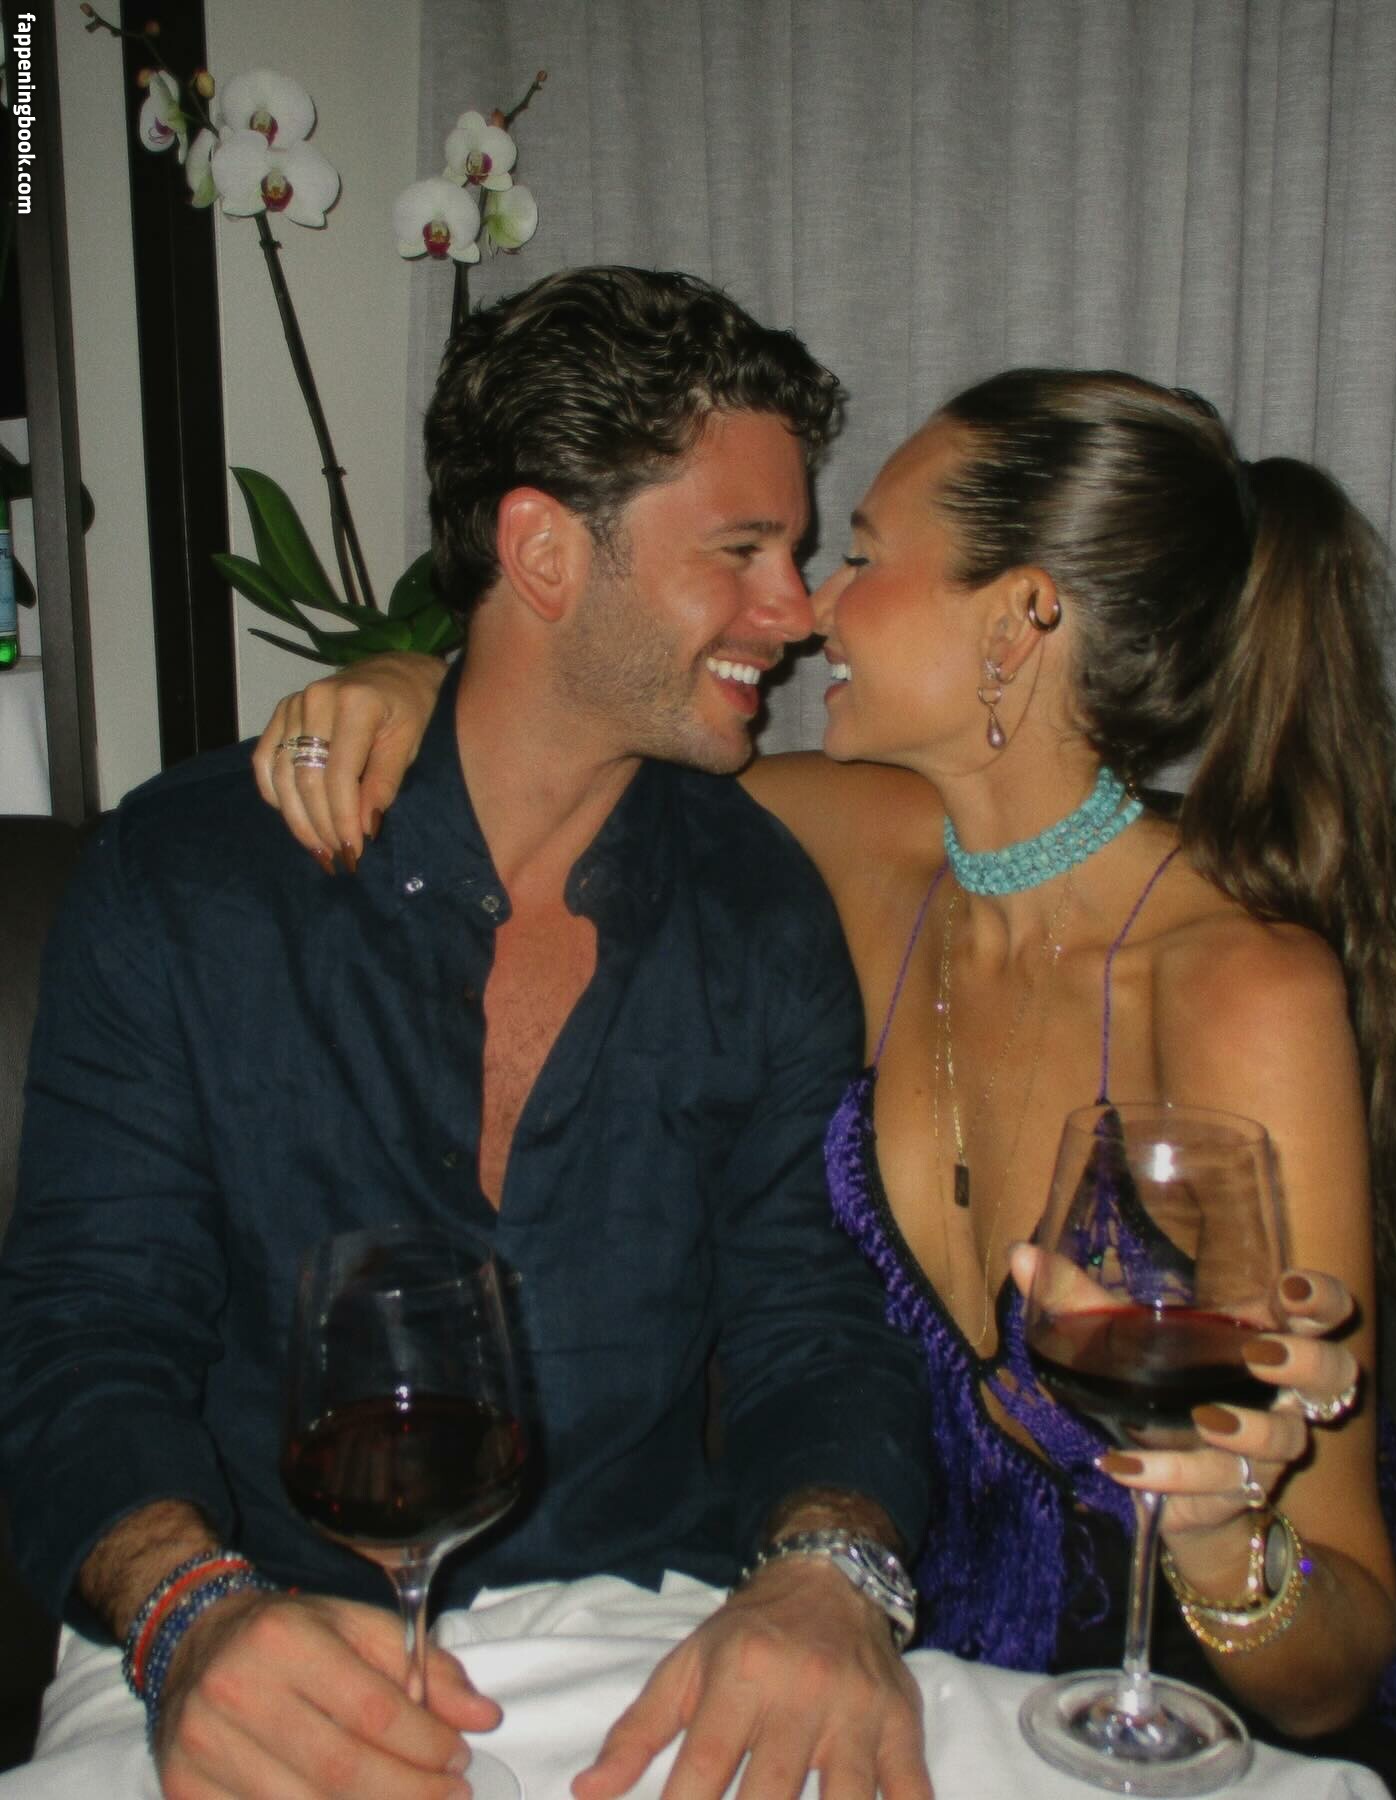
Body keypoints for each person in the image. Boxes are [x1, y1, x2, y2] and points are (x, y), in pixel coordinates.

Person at [262, 367, 1396, 1792]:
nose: (813, 609)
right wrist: (406, 687)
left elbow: (1336, 1669)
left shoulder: (1243, 988)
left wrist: (1225, 1539)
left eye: (865, 559)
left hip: (1169, 1704)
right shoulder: (849, 844)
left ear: (1018, 619)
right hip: (897, 1648)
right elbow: (561, 743)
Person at [0, 267, 938, 1800]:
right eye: (743, 551)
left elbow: (814, 1330)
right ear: (545, 552)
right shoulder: (192, 881)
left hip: (647, 1642)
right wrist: (185, 1614)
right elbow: (84, 1336)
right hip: (236, 1639)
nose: (796, 610)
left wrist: (832, 1575)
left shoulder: (758, 906)